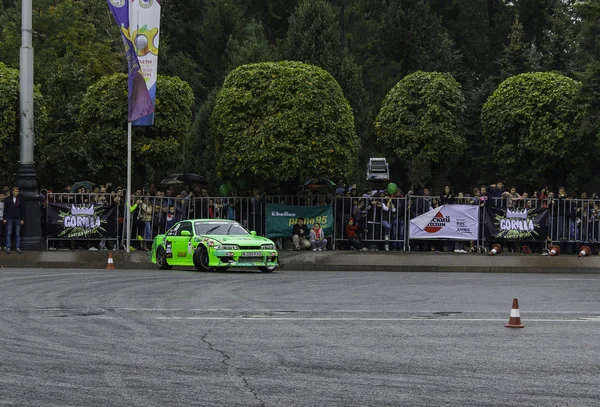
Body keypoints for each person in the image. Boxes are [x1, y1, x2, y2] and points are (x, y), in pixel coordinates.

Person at [2, 186, 25, 254]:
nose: (17, 192)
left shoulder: (20, 199)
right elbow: (5, 209)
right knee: (9, 233)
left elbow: (22, 210)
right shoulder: (8, 199)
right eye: (15, 191)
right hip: (9, 218)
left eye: (17, 191)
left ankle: (18, 247)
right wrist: (4, 218)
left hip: (17, 218)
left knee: (17, 233)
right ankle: (8, 247)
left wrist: (22, 219)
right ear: (12, 192)